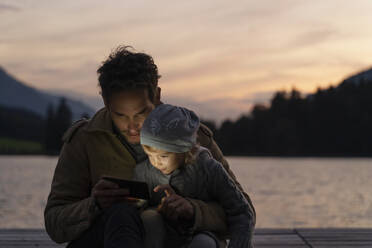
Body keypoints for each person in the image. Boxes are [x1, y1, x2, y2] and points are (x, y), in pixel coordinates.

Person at [44, 46, 255, 247]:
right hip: (111, 238)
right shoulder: (84, 139)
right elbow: (55, 223)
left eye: (141, 113)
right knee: (120, 214)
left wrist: (193, 210)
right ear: (105, 102)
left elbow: (242, 210)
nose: (133, 127)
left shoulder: (193, 138)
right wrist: (94, 205)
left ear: (157, 95)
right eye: (120, 115)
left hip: (183, 240)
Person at [134, 104, 254, 248]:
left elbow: (242, 212)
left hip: (205, 236)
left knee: (202, 243)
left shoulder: (208, 169)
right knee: (149, 219)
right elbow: (135, 207)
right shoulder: (144, 171)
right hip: (165, 238)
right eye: (149, 155)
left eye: (164, 156)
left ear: (185, 149)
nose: (156, 162)